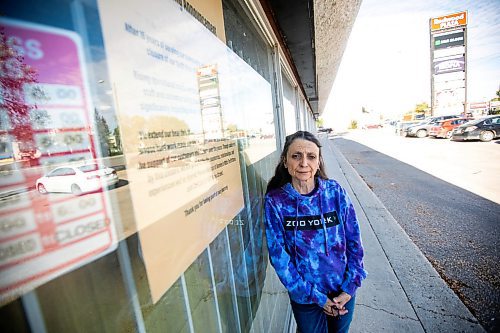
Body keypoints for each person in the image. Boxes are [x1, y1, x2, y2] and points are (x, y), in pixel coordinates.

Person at [264, 130, 367, 333]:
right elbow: (279, 258)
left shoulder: (334, 192)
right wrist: (317, 298)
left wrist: (350, 286)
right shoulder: (276, 202)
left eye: (311, 156)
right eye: (296, 156)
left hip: (342, 291)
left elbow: (354, 241)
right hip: (305, 296)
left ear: (319, 162)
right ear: (285, 161)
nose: (304, 163)